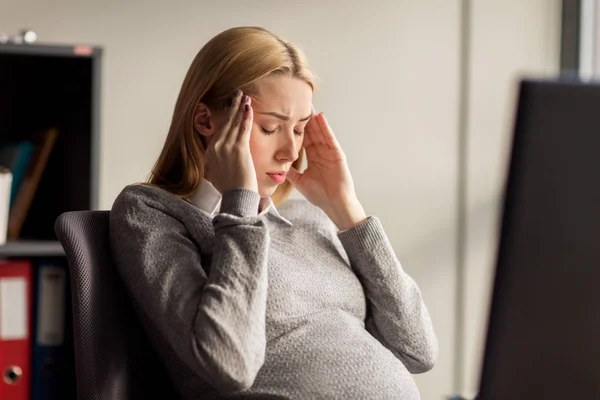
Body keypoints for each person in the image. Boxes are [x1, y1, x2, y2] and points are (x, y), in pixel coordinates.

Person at [109, 26, 438, 400]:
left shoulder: (308, 217)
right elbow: (230, 365)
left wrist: (347, 209)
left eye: (299, 130)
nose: (290, 152)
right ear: (204, 121)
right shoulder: (151, 212)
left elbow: (417, 350)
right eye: (269, 128)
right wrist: (241, 204)